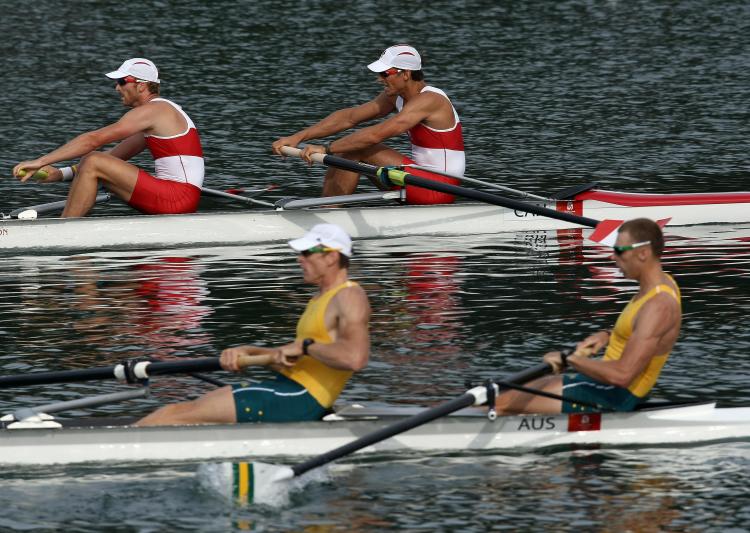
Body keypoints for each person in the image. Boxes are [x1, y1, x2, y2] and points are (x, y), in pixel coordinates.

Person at [136, 223, 370, 426]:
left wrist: (306, 346)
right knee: (179, 412)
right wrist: (249, 351)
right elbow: (294, 358)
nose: (299, 258)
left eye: (307, 252)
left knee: (175, 415)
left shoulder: (349, 296)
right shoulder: (319, 299)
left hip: (300, 398)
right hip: (287, 387)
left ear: (331, 257)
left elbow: (354, 358)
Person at [496, 218, 681, 414]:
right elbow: (642, 329)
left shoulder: (658, 306)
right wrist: (607, 336)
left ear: (643, 253)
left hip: (614, 394)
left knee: (496, 401)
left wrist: (569, 359)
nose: (612, 257)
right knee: (505, 391)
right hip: (603, 384)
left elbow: (623, 375)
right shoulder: (661, 284)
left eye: (619, 250)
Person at [271, 44, 465, 205]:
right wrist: (297, 137)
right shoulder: (395, 96)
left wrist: (326, 149)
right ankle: (328, 207)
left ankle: (329, 213)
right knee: (350, 148)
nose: (379, 79)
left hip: (439, 188)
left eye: (385, 73)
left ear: (405, 74)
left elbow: (376, 135)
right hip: (417, 178)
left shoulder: (430, 100)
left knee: (356, 149)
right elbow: (349, 117)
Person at [12, 58, 204, 217]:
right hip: (176, 197)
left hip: (177, 198)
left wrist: (40, 161)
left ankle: (64, 228)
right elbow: (113, 157)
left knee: (94, 159)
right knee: (96, 160)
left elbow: (93, 140)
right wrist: (60, 174)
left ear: (141, 86)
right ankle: (67, 225)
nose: (116, 88)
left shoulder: (155, 110)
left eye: (122, 82)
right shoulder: (156, 119)